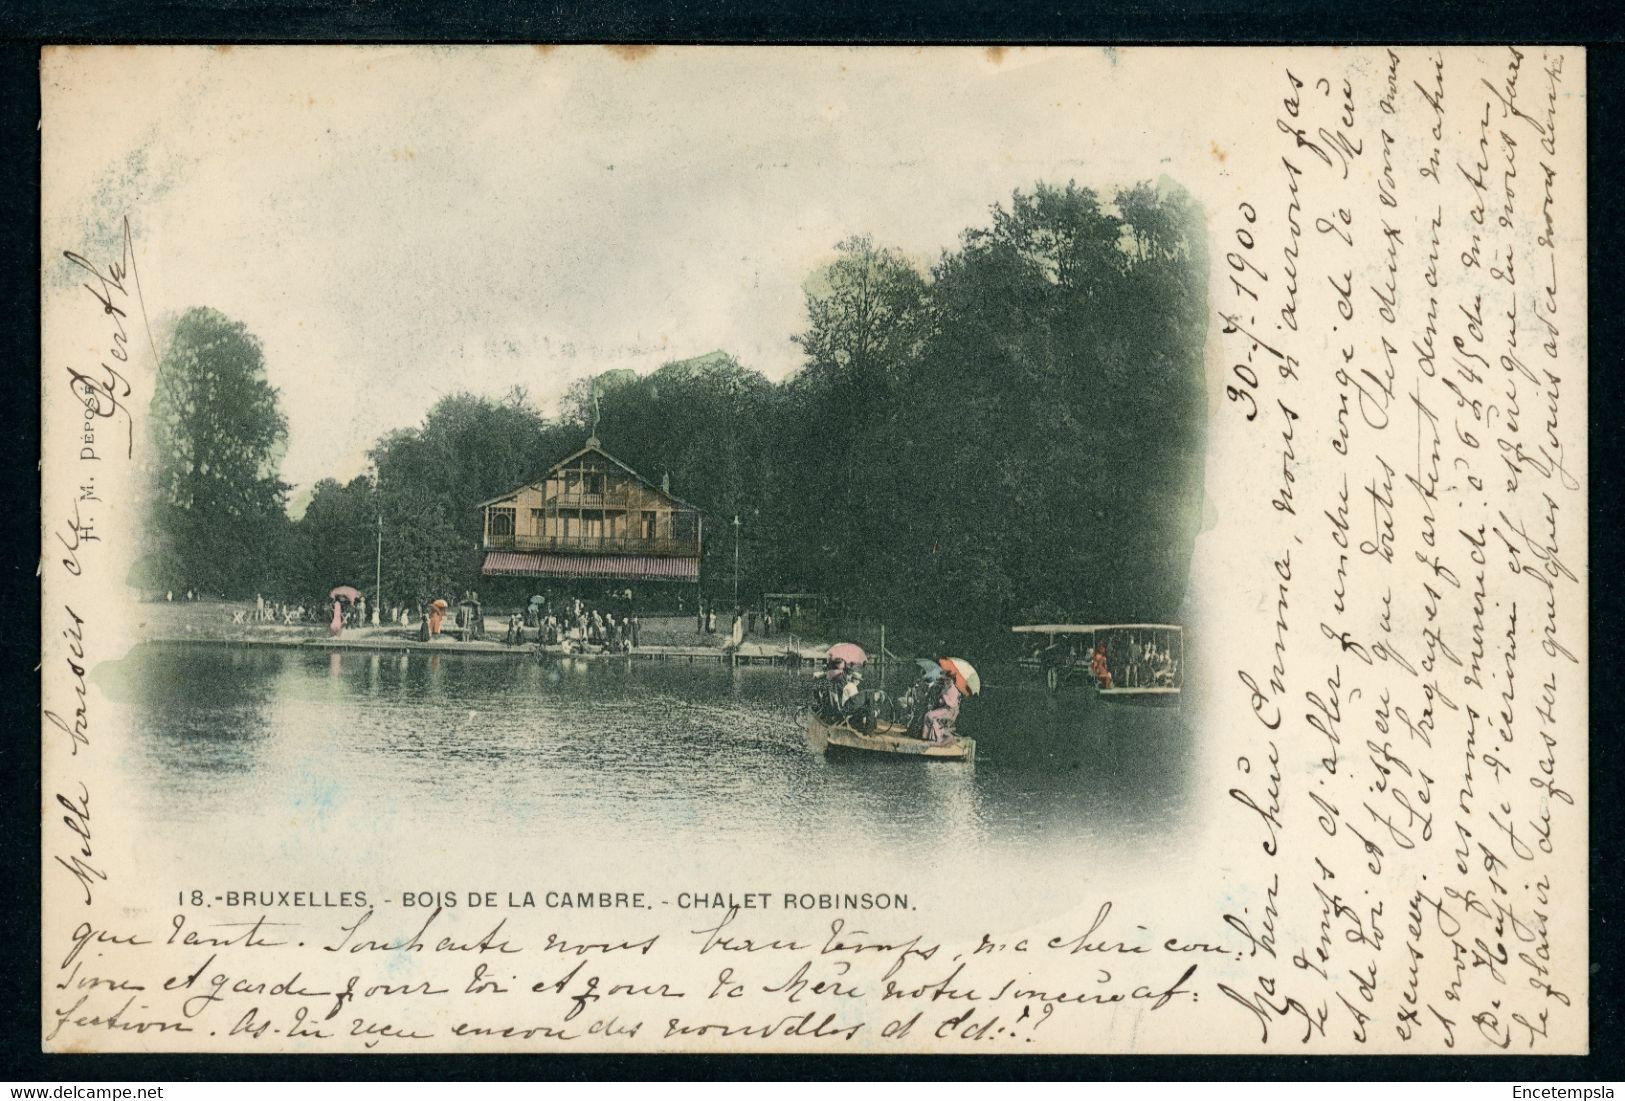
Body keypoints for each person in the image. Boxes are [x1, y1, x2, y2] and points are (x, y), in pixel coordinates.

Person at [922, 665, 962, 745]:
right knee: (927, 715)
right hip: (943, 709)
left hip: (950, 711)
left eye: (948, 680)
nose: (946, 682)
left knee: (931, 716)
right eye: (946, 680)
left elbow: (952, 704)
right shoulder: (946, 688)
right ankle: (926, 736)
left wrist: (944, 696)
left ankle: (937, 738)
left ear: (952, 680)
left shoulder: (954, 690)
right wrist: (941, 699)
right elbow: (941, 702)